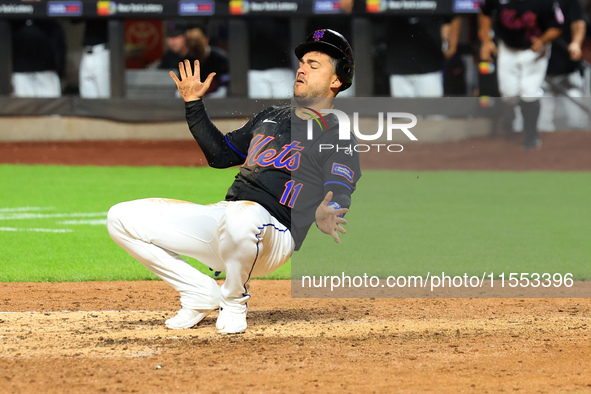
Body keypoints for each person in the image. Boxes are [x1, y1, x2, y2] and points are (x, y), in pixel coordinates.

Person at [106, 29, 360, 334]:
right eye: (302, 62)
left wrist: (328, 207)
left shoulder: (337, 134)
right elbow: (220, 155)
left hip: (274, 236)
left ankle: (235, 299)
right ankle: (199, 292)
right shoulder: (271, 116)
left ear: (337, 80)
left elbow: (341, 186)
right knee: (121, 217)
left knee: (244, 214)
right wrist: (193, 104)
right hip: (229, 222)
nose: (302, 69)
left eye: (314, 64)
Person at [479, 0, 563, 149]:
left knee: (529, 91)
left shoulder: (546, 2)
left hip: (534, 50)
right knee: (508, 93)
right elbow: (485, 13)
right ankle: (513, 116)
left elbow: (556, 27)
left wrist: (543, 41)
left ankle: (531, 136)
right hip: (508, 48)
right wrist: (486, 41)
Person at [538, 0, 588, 131]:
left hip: (568, 68)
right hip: (540, 71)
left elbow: (579, 23)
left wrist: (576, 43)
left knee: (578, 121)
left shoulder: (570, 2)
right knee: (542, 125)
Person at [386, 15, 460, 97]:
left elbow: (452, 13)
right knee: (402, 109)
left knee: (431, 109)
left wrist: (452, 45)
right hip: (398, 65)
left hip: (429, 66)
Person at [11, 19, 66, 97]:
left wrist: (60, 71)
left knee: (50, 106)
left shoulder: (51, 24)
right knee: (24, 107)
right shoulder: (13, 23)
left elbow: (60, 49)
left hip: (47, 73)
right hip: (21, 73)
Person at [185, 24, 229, 98]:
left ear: (206, 40)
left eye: (197, 42)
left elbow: (224, 88)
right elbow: (181, 89)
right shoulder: (186, 61)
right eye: (191, 42)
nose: (194, 45)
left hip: (217, 99)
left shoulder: (220, 58)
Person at [79, 20, 110, 98]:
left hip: (101, 51)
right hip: (86, 53)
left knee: (104, 96)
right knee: (87, 97)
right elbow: (74, 20)